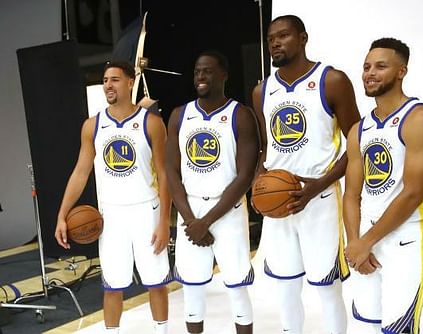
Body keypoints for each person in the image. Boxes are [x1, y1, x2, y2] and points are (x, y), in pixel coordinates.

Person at [252, 15, 361, 334]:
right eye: (271, 37)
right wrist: (260, 180)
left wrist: (319, 186)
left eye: (283, 35)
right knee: (284, 287)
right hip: (279, 203)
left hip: (320, 199)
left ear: (303, 38)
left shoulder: (332, 81)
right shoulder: (262, 91)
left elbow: (357, 144)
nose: (274, 42)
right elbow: (265, 145)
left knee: (327, 287)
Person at [54, 61, 171, 333]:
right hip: (111, 215)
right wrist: (62, 215)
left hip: (146, 211)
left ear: (131, 82)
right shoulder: (92, 126)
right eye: (105, 80)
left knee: (156, 282)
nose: (108, 84)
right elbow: (80, 173)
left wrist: (165, 220)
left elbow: (165, 175)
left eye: (115, 79)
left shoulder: (152, 123)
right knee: (112, 286)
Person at [343, 38, 423, 334]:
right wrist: (354, 243)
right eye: (366, 67)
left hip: (406, 238)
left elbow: (413, 193)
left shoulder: (420, 118)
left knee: (396, 329)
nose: (370, 73)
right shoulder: (359, 129)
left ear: (401, 71)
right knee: (364, 327)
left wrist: (365, 241)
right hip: (365, 240)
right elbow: (351, 194)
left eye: (381, 66)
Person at [166, 50, 258, 334]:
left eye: (207, 71)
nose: (200, 77)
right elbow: (171, 171)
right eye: (196, 72)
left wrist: (205, 222)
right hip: (190, 210)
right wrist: (191, 219)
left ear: (223, 75)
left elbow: (244, 176)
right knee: (192, 289)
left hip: (228, 211)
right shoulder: (180, 115)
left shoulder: (240, 115)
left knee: (237, 287)